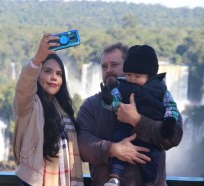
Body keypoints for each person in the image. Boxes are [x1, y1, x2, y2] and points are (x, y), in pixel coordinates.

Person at [76, 42, 183, 186]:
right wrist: (112, 149)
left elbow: (174, 136)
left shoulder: (157, 97)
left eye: (114, 65)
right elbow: (81, 144)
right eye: (104, 66)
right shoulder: (91, 105)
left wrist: (137, 120)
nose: (108, 70)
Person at [12, 33, 84, 186]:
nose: (54, 77)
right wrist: (38, 59)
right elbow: (23, 87)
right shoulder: (29, 105)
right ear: (37, 75)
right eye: (47, 71)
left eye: (59, 74)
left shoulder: (64, 109)